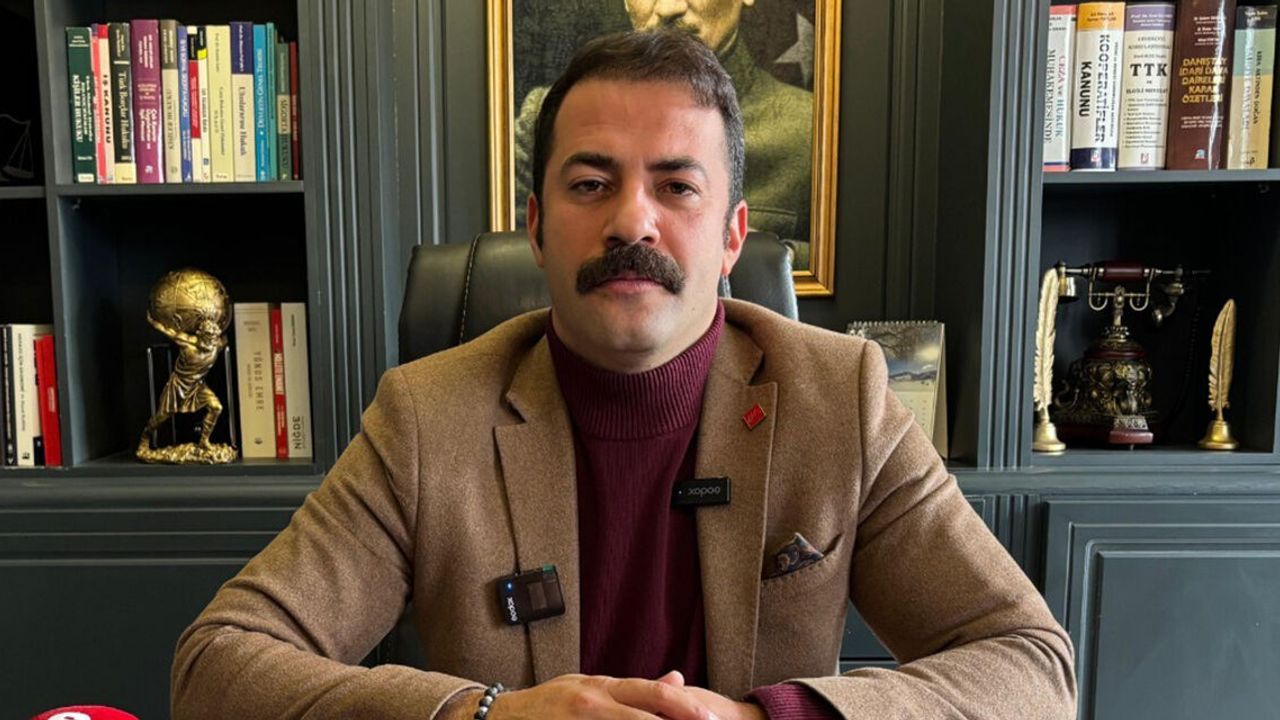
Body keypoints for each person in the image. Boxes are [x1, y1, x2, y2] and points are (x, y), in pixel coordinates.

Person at [171, 29, 1077, 720]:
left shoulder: (842, 397)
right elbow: (216, 664)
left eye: (676, 186)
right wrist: (489, 718)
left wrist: (773, 719)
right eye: (591, 184)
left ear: (733, 236)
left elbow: (1031, 664)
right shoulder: (426, 415)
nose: (631, 222)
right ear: (537, 227)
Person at [514, 0, 813, 248]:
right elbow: (517, 258)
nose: (669, 8)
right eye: (591, 185)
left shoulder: (809, 131)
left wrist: (766, 256)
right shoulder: (548, 119)